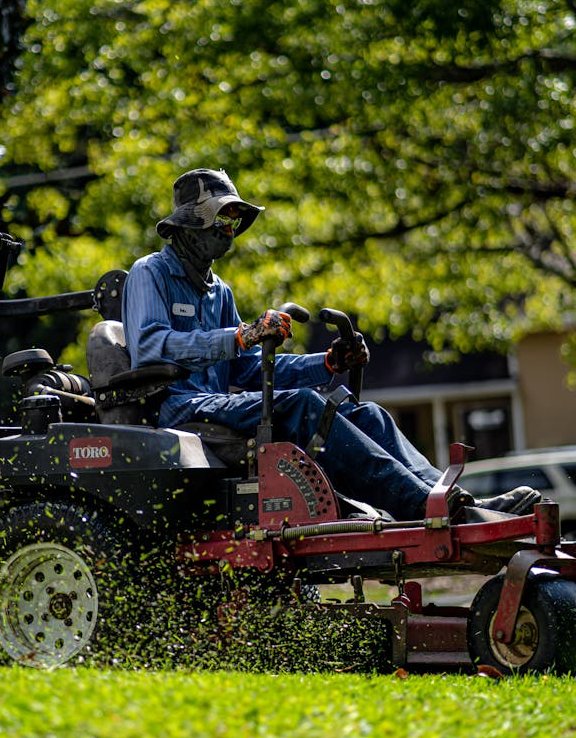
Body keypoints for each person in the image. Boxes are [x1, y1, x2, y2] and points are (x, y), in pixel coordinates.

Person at [122, 167, 540, 522]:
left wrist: (325, 364)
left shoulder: (220, 291)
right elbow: (150, 346)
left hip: (220, 405)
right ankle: (430, 511)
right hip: (181, 409)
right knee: (305, 405)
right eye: (221, 221)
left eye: (234, 222)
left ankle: (452, 500)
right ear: (190, 226)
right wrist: (240, 335)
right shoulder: (150, 273)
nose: (230, 231)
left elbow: (248, 370)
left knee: (367, 414)